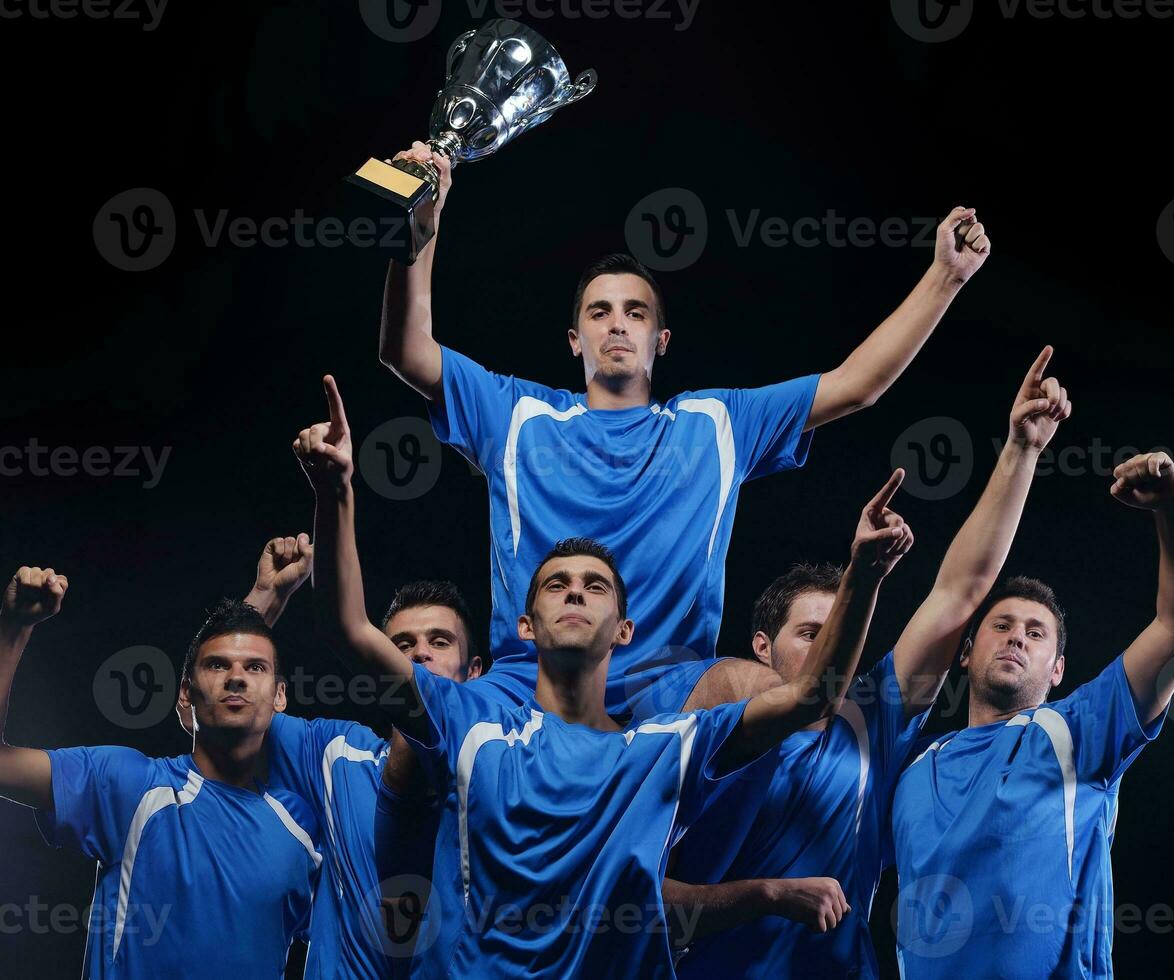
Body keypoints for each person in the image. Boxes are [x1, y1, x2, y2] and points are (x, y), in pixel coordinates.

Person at [292, 372, 913, 977]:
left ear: (624, 630)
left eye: (595, 587)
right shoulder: (469, 723)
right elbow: (348, 630)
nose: (574, 593)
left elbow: (810, 697)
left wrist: (863, 575)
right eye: (556, 584)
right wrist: (335, 491)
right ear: (525, 627)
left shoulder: (661, 750)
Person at [378, 141, 992, 718]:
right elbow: (407, 352)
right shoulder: (516, 415)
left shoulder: (716, 423)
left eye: (635, 312)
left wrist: (946, 277)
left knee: (777, 697)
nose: (617, 324)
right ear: (575, 340)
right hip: (530, 676)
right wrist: (417, 236)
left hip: (670, 681)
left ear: (660, 340)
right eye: (600, 312)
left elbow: (857, 384)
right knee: (426, 721)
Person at [666, 348, 1072, 978]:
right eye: (808, 632)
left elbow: (960, 591)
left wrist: (1022, 449)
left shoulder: (870, 719)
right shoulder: (714, 721)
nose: (832, 647)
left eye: (843, 629)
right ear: (763, 646)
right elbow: (636, 898)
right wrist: (765, 896)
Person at [890, 450, 1174, 978]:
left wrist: (1172, 509)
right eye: (1002, 625)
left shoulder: (1076, 731)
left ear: (1058, 668)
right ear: (965, 652)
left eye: (1035, 633)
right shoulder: (911, 769)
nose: (1017, 634)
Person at [0, 570, 321, 980]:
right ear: (185, 694)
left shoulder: (302, 826)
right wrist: (13, 627)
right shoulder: (130, 785)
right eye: (218, 665)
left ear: (280, 696)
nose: (237, 676)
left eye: (256, 667)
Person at [240, 534, 483, 980]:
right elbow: (228, 717)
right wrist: (265, 599)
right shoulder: (339, 757)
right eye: (401, 645)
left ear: (474, 673)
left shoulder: (507, 779)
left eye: (440, 641)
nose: (419, 654)